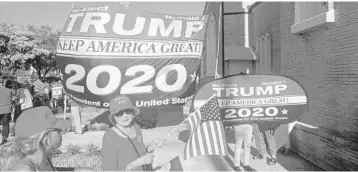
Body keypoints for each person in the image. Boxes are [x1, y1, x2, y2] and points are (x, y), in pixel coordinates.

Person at [0, 106, 94, 171]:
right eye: (58, 130)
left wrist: (79, 170)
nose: (62, 132)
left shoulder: (42, 160)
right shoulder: (25, 169)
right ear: (44, 137)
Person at [102, 95, 162, 171]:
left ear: (132, 112)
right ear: (114, 116)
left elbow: (137, 152)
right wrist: (136, 164)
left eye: (128, 111)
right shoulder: (110, 136)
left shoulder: (136, 127)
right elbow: (108, 170)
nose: (125, 115)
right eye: (120, 113)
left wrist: (150, 147)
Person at [0, 79, 15, 145]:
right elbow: (15, 94)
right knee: (5, 124)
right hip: (7, 110)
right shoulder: (10, 89)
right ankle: (4, 139)